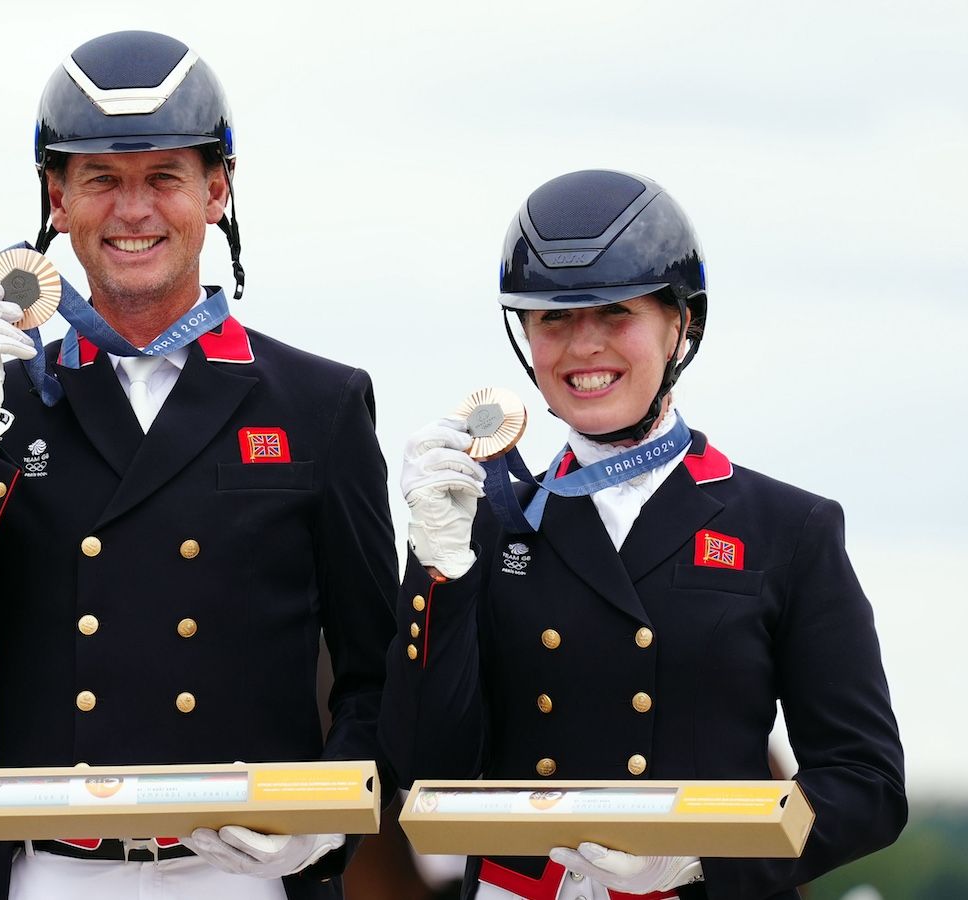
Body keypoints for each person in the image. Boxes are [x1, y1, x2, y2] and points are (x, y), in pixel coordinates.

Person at [0, 30, 397, 900]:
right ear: (56, 199)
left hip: (251, 875)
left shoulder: (319, 405)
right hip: (56, 871)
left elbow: (377, 673)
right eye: (100, 179)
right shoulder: (2, 407)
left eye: (164, 177)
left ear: (216, 190)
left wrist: (323, 827)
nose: (133, 210)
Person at [381, 170, 906, 899]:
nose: (581, 348)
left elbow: (865, 782)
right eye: (553, 320)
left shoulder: (788, 529)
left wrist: (699, 859)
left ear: (679, 324)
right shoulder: (491, 520)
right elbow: (422, 764)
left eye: (615, 313)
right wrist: (437, 567)